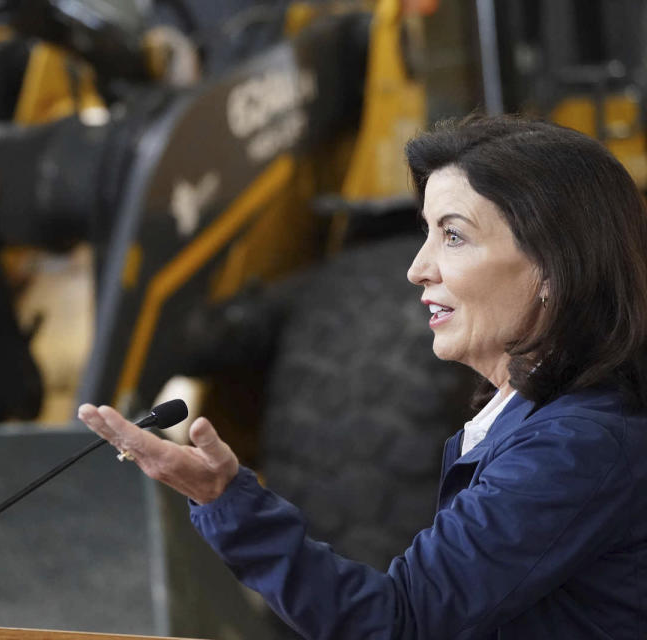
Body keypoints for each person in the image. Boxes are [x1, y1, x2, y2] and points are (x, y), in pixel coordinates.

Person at [78, 115, 647, 639]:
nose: (417, 268)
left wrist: (226, 501)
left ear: (552, 267)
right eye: (426, 232)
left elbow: (396, 623)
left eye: (452, 235)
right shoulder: (545, 425)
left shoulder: (574, 445)